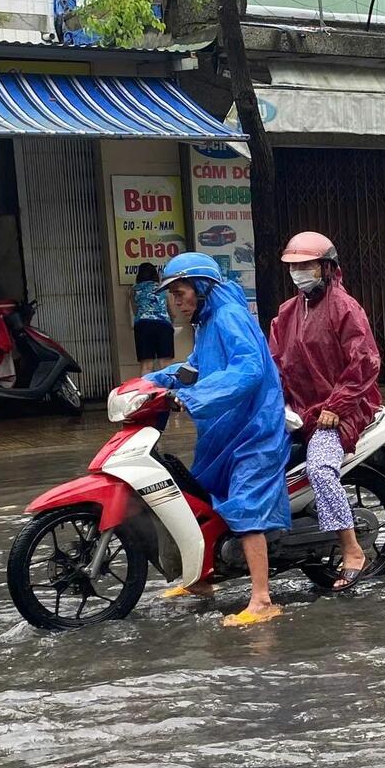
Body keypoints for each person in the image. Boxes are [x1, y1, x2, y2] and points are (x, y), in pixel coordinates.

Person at [146, 251, 290, 627]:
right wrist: (151, 382)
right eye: (172, 294)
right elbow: (194, 369)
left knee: (244, 505)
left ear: (202, 288)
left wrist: (191, 397)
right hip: (225, 429)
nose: (175, 300)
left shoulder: (229, 317)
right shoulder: (207, 322)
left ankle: (261, 598)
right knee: (202, 499)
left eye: (180, 292)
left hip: (253, 430)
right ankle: (202, 580)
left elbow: (248, 370)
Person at [267, 231, 382, 591]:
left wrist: (336, 405)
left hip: (343, 411)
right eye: (294, 266)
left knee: (320, 469)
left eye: (306, 265)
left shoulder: (344, 307)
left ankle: (351, 550)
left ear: (326, 268)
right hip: (300, 412)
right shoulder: (286, 313)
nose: (299, 272)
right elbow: (274, 365)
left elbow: (364, 362)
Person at [131, 260, 174, 375]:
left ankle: (146, 391)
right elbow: (172, 311)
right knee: (165, 363)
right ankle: (167, 390)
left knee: (146, 365)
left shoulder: (134, 289)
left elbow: (135, 311)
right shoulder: (163, 288)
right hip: (163, 325)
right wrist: (171, 323)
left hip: (143, 325)